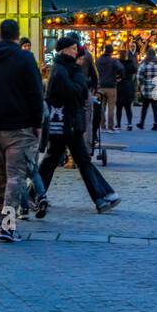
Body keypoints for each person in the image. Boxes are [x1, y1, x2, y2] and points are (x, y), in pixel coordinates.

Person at [0, 18, 45, 242]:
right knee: (16, 175)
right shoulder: (25, 59)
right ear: (17, 36)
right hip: (19, 126)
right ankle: (8, 225)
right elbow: (36, 93)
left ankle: (2, 221)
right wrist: (37, 123)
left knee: (0, 174)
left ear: (0, 35)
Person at [39, 34, 120, 214]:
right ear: (64, 50)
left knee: (66, 159)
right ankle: (102, 196)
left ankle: (103, 196)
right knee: (59, 159)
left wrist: (79, 82)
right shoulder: (61, 69)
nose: (77, 53)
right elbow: (74, 92)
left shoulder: (67, 68)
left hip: (70, 122)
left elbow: (79, 91)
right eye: (74, 49)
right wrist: (79, 81)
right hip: (64, 122)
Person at [95, 43, 124, 132]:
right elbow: (121, 68)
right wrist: (119, 77)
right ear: (112, 51)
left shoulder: (98, 60)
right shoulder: (113, 61)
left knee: (101, 107)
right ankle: (110, 127)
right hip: (111, 86)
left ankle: (102, 126)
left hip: (101, 86)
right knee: (111, 108)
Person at [137, 46, 157, 129]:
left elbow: (139, 76)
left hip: (146, 89)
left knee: (144, 107)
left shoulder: (144, 64)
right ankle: (156, 124)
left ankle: (142, 123)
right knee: (155, 107)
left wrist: (141, 83)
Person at [115, 46, 137, 131]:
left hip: (120, 86)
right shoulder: (130, 63)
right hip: (128, 86)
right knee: (128, 107)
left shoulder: (117, 63)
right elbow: (134, 70)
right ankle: (130, 124)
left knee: (119, 107)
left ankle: (119, 124)